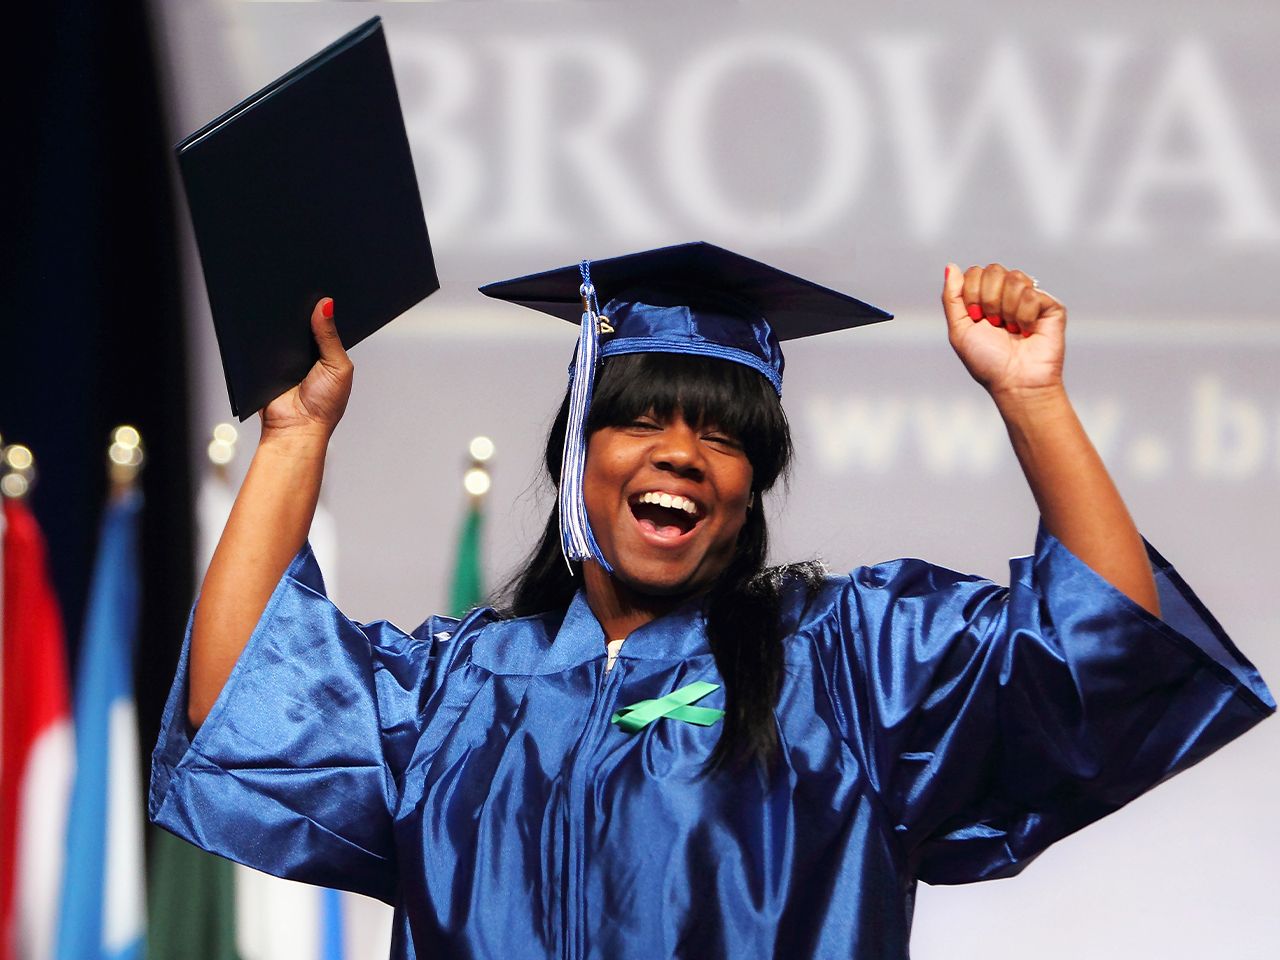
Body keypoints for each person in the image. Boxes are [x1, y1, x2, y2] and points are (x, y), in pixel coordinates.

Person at [151, 244, 1273, 960]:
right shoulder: (460, 690)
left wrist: (1031, 400)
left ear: (749, 496)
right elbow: (243, 693)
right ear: (577, 452)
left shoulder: (844, 666)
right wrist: (297, 434)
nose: (684, 455)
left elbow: (1106, 646)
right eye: (642, 420)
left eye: (727, 437)